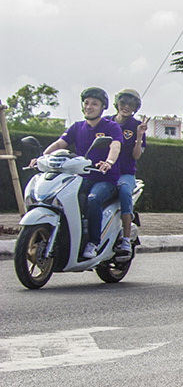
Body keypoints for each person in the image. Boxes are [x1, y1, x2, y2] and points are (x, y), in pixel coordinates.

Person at [36, 88, 124, 260]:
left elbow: (115, 146)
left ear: (102, 107)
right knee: (62, 197)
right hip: (81, 178)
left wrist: (109, 162)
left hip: (105, 179)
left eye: (94, 104)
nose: (89, 107)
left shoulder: (111, 127)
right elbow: (59, 144)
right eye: (86, 103)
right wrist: (41, 157)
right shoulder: (77, 127)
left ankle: (93, 242)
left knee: (93, 199)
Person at [107, 88, 148, 259]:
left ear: (135, 107)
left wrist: (139, 136)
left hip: (125, 173)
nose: (126, 106)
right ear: (117, 103)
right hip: (104, 172)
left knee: (124, 190)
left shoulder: (136, 126)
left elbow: (136, 155)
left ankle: (125, 238)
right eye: (123, 102)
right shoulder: (105, 122)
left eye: (130, 104)